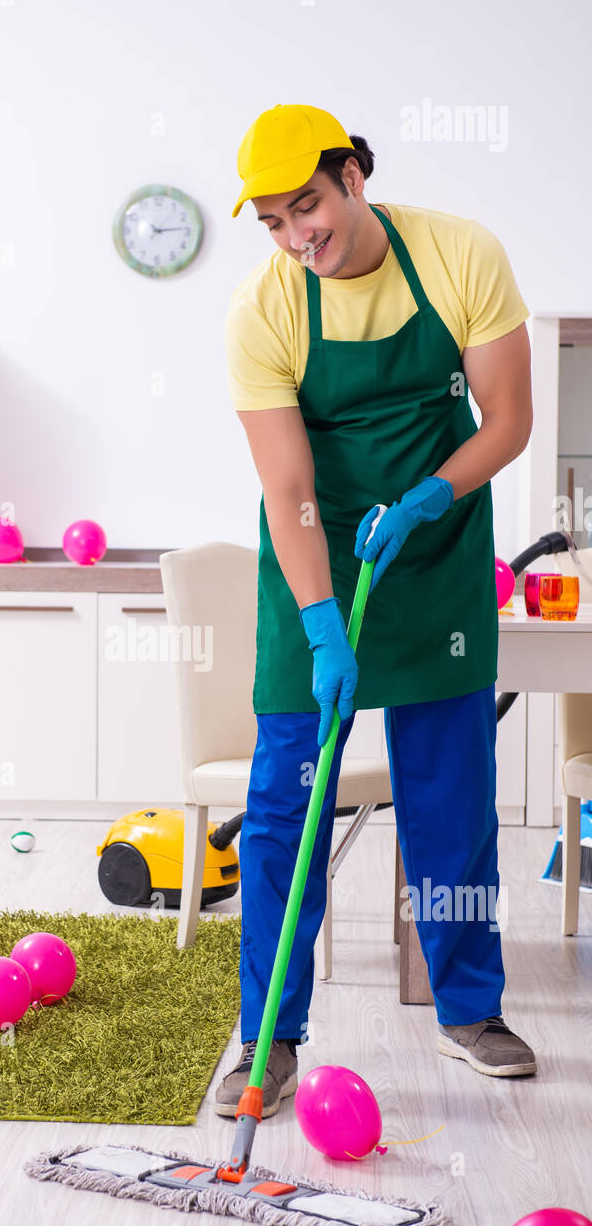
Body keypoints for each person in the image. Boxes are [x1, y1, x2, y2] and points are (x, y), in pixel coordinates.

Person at [217, 103, 536, 1119]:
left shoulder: (459, 255)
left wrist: (436, 495)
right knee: (281, 819)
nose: (295, 235)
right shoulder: (263, 312)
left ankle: (469, 1008)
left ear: (353, 173)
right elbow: (289, 485)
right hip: (318, 561)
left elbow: (512, 419)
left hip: (435, 557)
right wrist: (318, 623)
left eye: (305, 205)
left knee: (451, 802)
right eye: (272, 220)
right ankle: (270, 1042)